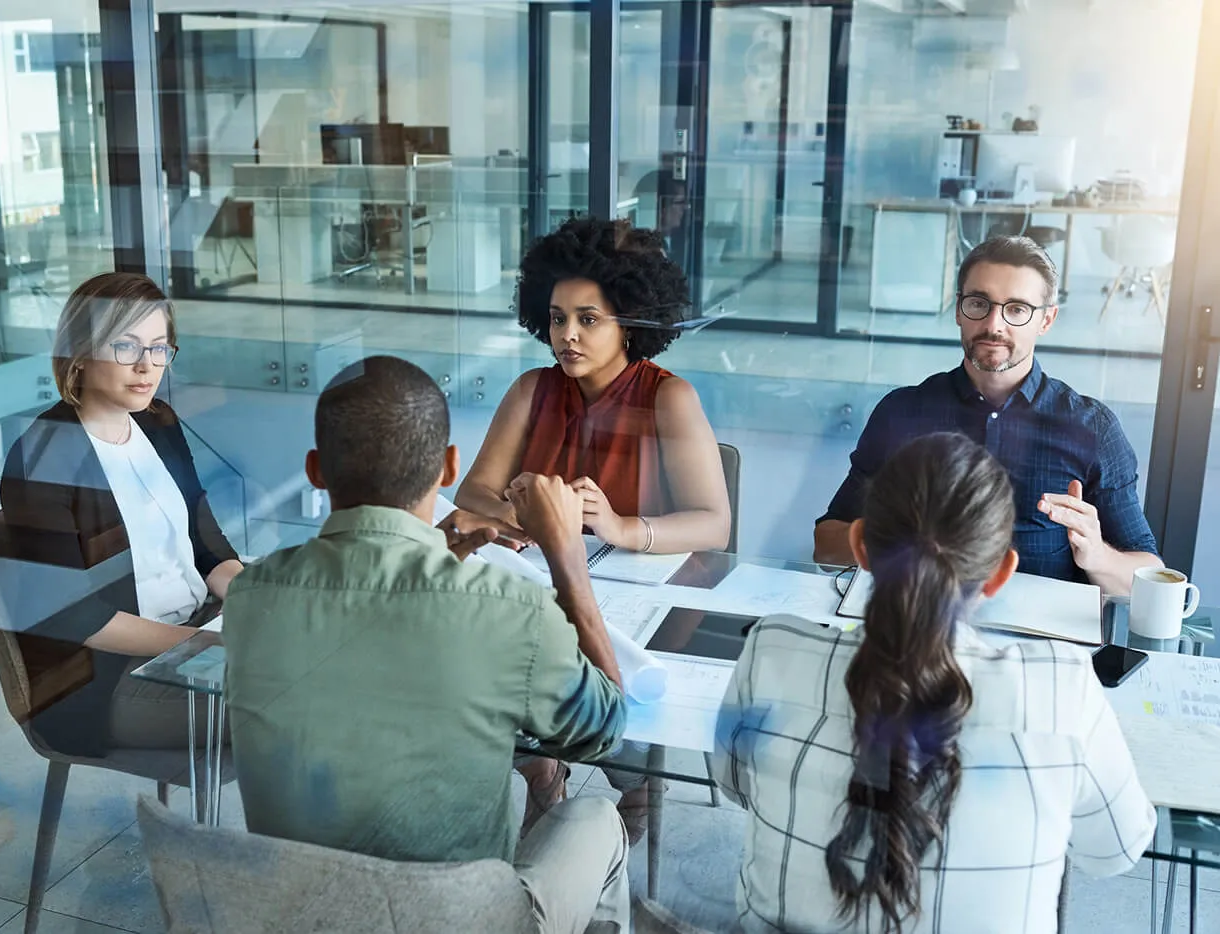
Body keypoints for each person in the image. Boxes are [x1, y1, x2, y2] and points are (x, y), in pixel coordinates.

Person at [222, 356, 631, 934]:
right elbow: (605, 728)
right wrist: (566, 556)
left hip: (302, 915)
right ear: (448, 468)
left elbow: (362, 673)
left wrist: (434, 559)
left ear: (315, 470)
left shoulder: (250, 596)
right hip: (454, 922)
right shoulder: (509, 609)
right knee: (594, 816)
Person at [717, 433, 1155, 933]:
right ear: (1000, 574)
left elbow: (734, 785)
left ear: (860, 547)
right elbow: (1116, 849)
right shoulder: (1062, 690)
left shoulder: (770, 650)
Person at [456, 215, 731, 838]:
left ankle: (634, 781)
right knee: (489, 649)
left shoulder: (668, 397)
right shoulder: (532, 389)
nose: (568, 336)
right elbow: (474, 490)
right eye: (557, 318)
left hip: (648, 605)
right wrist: (526, 513)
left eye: (588, 319)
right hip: (546, 588)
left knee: (586, 667)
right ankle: (539, 767)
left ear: (630, 319)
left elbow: (713, 523)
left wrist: (619, 524)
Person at [814, 236, 1160, 594]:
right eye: (979, 303)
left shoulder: (1092, 428)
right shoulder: (902, 412)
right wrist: (889, 535)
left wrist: (1097, 556)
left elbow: (1148, 575)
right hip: (919, 626)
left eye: (1016, 309)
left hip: (1039, 641)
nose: (994, 324)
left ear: (1047, 320)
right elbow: (825, 547)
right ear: (958, 310)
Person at [0, 272, 242, 758]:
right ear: (81, 353)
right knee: (292, 703)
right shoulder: (46, 458)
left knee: (317, 662)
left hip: (193, 629)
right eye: (126, 347)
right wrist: (202, 644)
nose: (146, 366)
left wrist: (261, 608)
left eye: (159, 348)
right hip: (106, 681)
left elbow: (207, 545)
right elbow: (75, 617)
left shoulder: (158, 422)